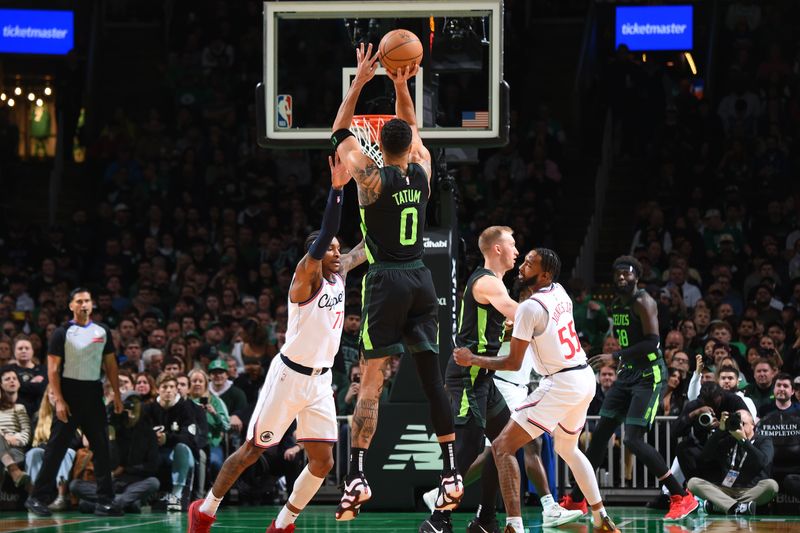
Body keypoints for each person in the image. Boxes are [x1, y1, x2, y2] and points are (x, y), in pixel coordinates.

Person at [187, 154, 366, 533]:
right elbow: (325, 235)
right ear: (315, 255)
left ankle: (283, 524)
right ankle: (204, 510)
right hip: (288, 376)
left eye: (337, 248)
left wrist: (398, 207)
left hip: (320, 381)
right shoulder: (306, 278)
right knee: (254, 450)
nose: (337, 252)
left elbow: (366, 248)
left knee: (323, 462)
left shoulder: (340, 272)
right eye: (330, 248)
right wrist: (338, 191)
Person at [332, 43, 461, 522]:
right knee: (433, 381)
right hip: (421, 279)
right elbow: (416, 131)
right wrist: (403, 84)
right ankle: (450, 471)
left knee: (370, 382)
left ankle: (358, 476)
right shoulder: (423, 172)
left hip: (384, 281)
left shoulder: (369, 179)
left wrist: (361, 81)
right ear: (410, 147)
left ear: (377, 147)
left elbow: (340, 131)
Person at [421, 231, 581, 533]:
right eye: (513, 245)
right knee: (467, 449)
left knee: (503, 443)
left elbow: (508, 326)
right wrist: (555, 311)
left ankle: (485, 518)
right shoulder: (487, 282)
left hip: (484, 378)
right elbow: (521, 314)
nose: (517, 251)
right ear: (497, 249)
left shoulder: (496, 283)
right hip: (467, 376)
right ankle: (438, 517)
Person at [453, 248, 620, 533]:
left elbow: (513, 361)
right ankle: (600, 516)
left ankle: (514, 525)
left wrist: (473, 359)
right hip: (583, 379)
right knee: (567, 448)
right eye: (525, 259)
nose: (522, 265)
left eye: (530, 264)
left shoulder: (530, 308)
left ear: (544, 275)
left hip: (560, 382)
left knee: (503, 446)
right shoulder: (560, 292)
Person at [561, 256, 698, 520]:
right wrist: (621, 359)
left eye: (628, 273)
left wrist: (615, 356)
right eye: (619, 274)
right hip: (628, 374)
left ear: (637, 277)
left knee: (632, 439)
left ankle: (681, 495)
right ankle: (578, 499)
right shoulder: (615, 304)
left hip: (649, 374)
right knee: (600, 434)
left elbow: (652, 343)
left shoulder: (644, 302)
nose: (622, 277)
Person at [25, 287, 124, 517]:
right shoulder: (62, 333)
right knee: (56, 448)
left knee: (101, 448)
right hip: (68, 392)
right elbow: (52, 370)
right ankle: (37, 497)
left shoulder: (103, 331)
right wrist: (59, 400)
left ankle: (105, 501)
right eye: (79, 301)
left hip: (93, 392)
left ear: (92, 304)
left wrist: (117, 395)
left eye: (87, 300)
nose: (84, 305)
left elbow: (110, 365)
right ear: (71, 306)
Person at [70, 392, 160, 513]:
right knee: (75, 485)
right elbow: (111, 463)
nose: (131, 411)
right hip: (111, 484)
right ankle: (124, 504)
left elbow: (152, 466)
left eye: (135, 406)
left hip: (133, 484)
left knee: (154, 482)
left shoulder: (148, 433)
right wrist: (111, 436)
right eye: (127, 407)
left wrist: (125, 469)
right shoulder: (114, 430)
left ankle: (106, 504)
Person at [687, 410, 779, 514]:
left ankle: (723, 505)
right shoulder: (729, 440)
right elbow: (705, 456)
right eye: (736, 422)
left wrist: (744, 441)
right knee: (693, 483)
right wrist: (720, 431)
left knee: (772, 486)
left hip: (751, 491)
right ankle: (738, 507)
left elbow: (763, 462)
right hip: (725, 491)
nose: (739, 426)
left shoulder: (764, 440)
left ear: (753, 424)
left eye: (743, 423)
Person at [0, 368, 31, 489]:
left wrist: (15, 438)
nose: (12, 381)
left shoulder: (19, 408)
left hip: (15, 450)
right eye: (7, 379)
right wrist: (3, 437)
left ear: (19, 383)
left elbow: (26, 432)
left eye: (14, 378)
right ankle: (14, 471)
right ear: (1, 385)